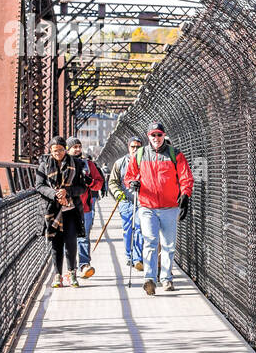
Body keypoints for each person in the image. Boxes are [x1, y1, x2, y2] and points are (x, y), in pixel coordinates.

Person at [124, 122, 194, 295]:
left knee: (169, 245)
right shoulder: (140, 154)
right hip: (147, 206)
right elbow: (129, 177)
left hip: (170, 206)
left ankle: (166, 278)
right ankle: (149, 278)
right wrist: (132, 184)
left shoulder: (175, 154)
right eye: (153, 135)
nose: (156, 138)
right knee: (150, 241)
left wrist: (185, 195)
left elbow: (186, 177)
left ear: (164, 136)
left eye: (159, 135)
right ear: (148, 136)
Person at [36, 135, 88, 288]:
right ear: (50, 151)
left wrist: (67, 191)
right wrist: (55, 195)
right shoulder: (44, 165)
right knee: (56, 243)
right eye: (54, 151)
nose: (57, 153)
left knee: (71, 242)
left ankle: (72, 273)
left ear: (65, 149)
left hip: (71, 210)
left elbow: (82, 187)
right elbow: (39, 186)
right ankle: (57, 275)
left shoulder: (77, 164)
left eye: (60, 150)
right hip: (52, 210)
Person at [68, 138, 105, 278]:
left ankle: (84, 265)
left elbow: (99, 184)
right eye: (74, 147)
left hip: (85, 208)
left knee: (83, 237)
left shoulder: (88, 165)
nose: (77, 149)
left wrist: (90, 181)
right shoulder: (61, 164)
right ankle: (70, 269)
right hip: (66, 208)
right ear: (67, 148)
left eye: (79, 146)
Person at [107, 137, 145, 272]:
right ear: (128, 147)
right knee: (128, 230)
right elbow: (112, 182)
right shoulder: (119, 163)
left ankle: (137, 258)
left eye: (138, 147)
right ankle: (129, 255)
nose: (135, 149)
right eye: (133, 146)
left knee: (139, 228)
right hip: (126, 201)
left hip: (141, 201)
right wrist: (118, 194)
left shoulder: (146, 161)